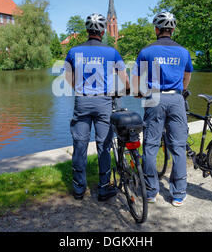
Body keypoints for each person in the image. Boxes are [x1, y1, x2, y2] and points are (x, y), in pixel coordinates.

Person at [64, 13, 129, 201]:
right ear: (102, 31)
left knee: (80, 144)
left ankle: (78, 189)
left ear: (87, 31)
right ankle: (103, 188)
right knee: (104, 145)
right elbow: (124, 79)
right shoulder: (111, 52)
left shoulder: (74, 51)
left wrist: (78, 89)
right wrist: (126, 89)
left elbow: (68, 77)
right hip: (104, 102)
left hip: (82, 102)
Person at [132, 12, 193, 207]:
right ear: (172, 30)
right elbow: (187, 76)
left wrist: (138, 93)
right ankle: (179, 194)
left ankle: (150, 191)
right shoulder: (183, 52)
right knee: (178, 147)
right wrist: (180, 91)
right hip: (176, 99)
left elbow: (137, 79)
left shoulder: (146, 51)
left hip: (154, 97)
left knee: (150, 145)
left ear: (156, 29)